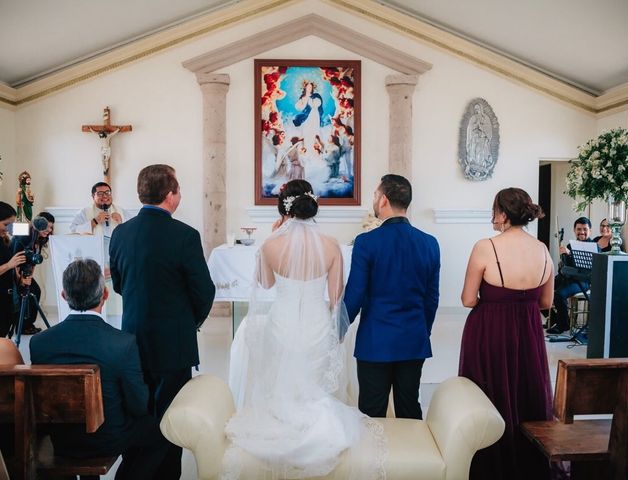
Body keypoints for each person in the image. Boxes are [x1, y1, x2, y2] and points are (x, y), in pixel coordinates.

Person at [224, 179, 385, 480]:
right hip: (316, 323)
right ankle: (318, 429)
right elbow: (337, 297)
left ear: (285, 208)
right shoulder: (330, 244)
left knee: (283, 386)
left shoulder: (271, 244)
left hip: (282, 321)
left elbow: (267, 284)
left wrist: (273, 240)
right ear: (313, 206)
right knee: (313, 391)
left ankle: (282, 425)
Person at [109, 164, 215, 480]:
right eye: (179, 190)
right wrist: (189, 322)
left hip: (132, 339)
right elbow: (204, 291)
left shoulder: (120, 232)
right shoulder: (185, 235)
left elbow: (117, 283)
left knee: (139, 411)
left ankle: (136, 463)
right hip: (173, 343)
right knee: (171, 416)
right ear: (170, 195)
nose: (180, 195)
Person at [29, 259, 169, 479]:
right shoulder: (122, 343)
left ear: (64, 296)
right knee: (161, 433)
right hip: (108, 438)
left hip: (61, 440)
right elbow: (139, 405)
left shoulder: (39, 343)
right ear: (105, 294)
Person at [459, 187, 554, 480]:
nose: (492, 215)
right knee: (525, 391)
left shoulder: (485, 247)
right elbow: (546, 303)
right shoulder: (542, 249)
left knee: (491, 395)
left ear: (502, 214)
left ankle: (491, 465)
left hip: (490, 331)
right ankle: (528, 465)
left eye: (493, 209)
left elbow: (467, 299)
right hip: (527, 332)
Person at [344, 174, 440, 419]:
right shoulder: (430, 243)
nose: (374, 201)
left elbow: (354, 296)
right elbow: (431, 299)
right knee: (409, 408)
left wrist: (336, 331)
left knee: (372, 413)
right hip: (413, 340)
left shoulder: (366, 242)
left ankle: (375, 457)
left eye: (375, 196)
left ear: (384, 200)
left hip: (375, 342)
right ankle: (413, 455)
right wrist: (422, 331)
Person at [546, 216, 594, 334]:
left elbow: (586, 268)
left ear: (590, 231)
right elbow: (566, 266)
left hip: (583, 281)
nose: (581, 232)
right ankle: (555, 319)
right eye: (578, 229)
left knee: (559, 294)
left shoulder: (593, 246)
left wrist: (570, 254)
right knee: (544, 288)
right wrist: (563, 258)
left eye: (584, 229)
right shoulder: (570, 245)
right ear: (574, 230)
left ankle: (563, 325)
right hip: (568, 277)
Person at [10, 213, 54, 335]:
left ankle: (27, 325)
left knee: (35, 291)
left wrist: (29, 276)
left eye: (51, 228)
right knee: (23, 295)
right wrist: (20, 280)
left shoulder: (38, 240)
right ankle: (21, 326)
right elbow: (14, 260)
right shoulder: (24, 237)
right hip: (13, 269)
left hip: (25, 270)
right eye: (47, 227)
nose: (49, 230)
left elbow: (33, 262)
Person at [0, 202, 27, 337]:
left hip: (8, 298)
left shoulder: (3, 240)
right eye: (6, 224)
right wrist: (9, 265)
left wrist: (17, 274)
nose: (8, 229)